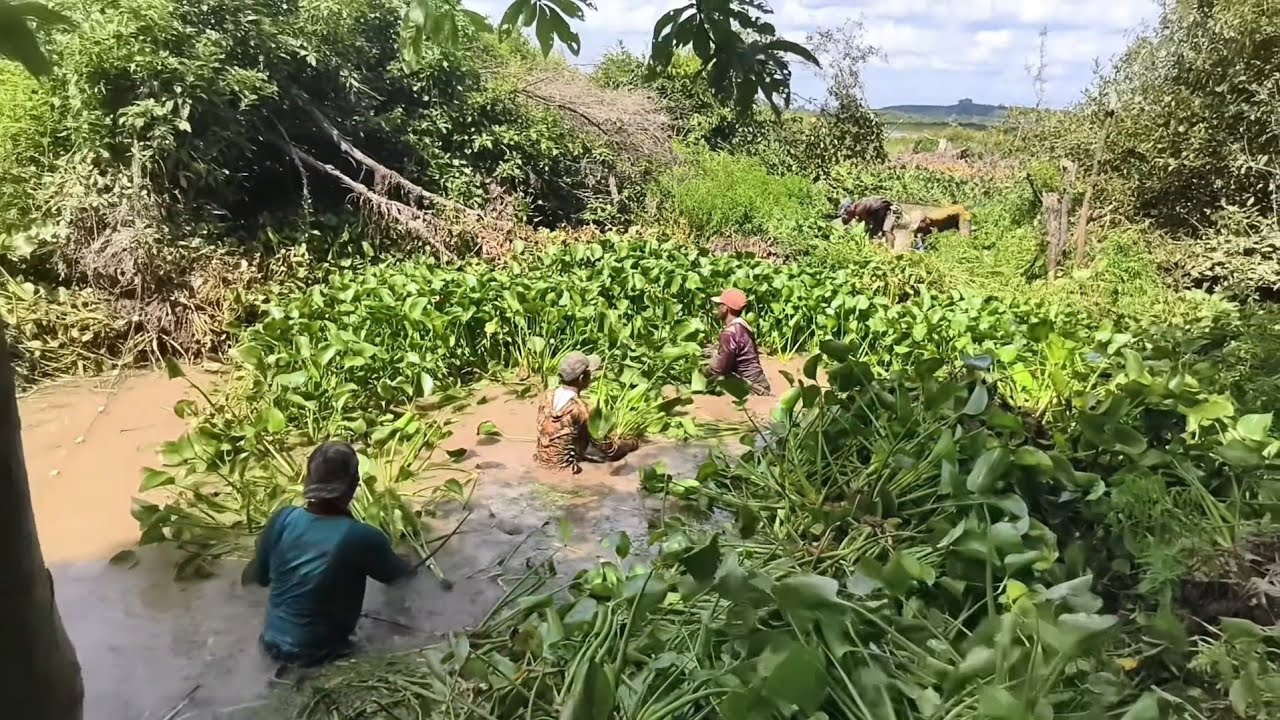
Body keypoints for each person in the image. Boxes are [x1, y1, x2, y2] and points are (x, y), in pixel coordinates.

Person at [250, 441, 416, 667]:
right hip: (319, 654)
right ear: (354, 484)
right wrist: (410, 560)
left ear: (307, 481)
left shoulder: (283, 519)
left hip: (269, 644)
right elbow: (402, 579)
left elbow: (256, 579)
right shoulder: (360, 536)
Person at [534, 351, 637, 473]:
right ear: (583, 378)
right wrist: (631, 444)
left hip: (539, 463)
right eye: (589, 373)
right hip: (565, 471)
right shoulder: (582, 410)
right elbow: (609, 449)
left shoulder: (547, 395)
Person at [704, 288, 771, 396]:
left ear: (725, 308)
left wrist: (703, 371)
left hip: (752, 388)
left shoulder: (730, 333)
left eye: (718, 306)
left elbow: (721, 368)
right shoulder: (744, 325)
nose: (715, 310)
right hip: (760, 382)